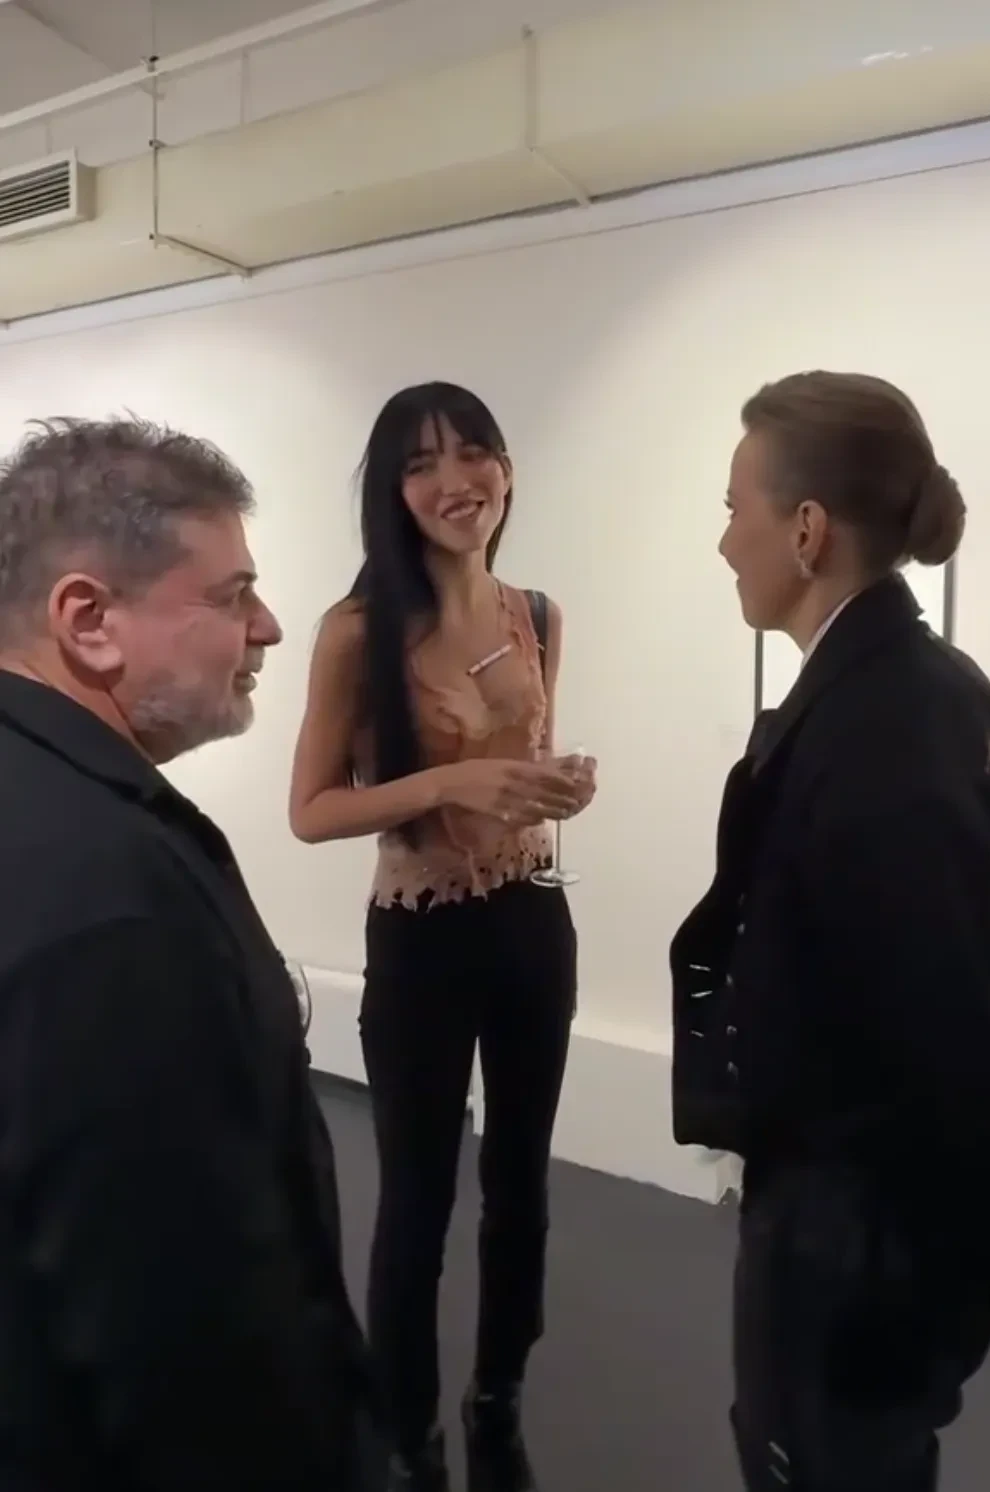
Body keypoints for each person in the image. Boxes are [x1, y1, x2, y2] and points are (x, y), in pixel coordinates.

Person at [670, 371, 990, 1492]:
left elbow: (969, 1044)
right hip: (873, 1243)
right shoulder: (944, 701)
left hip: (856, 1252)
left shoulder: (879, 737)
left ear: (806, 530)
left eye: (734, 508)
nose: (724, 541)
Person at [0, 418, 378, 1491]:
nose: (267, 627)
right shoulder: (111, 894)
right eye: (232, 594)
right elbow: (178, 1328)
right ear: (90, 621)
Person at [289, 382, 595, 1492]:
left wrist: (558, 787)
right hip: (420, 938)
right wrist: (446, 781)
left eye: (473, 454)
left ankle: (497, 1391)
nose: (455, 482)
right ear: (392, 491)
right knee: (418, 1196)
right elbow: (311, 809)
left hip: (531, 919)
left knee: (522, 1182)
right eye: (421, 465)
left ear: (506, 467)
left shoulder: (537, 615)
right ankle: (408, 1425)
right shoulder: (356, 631)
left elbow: (526, 766)